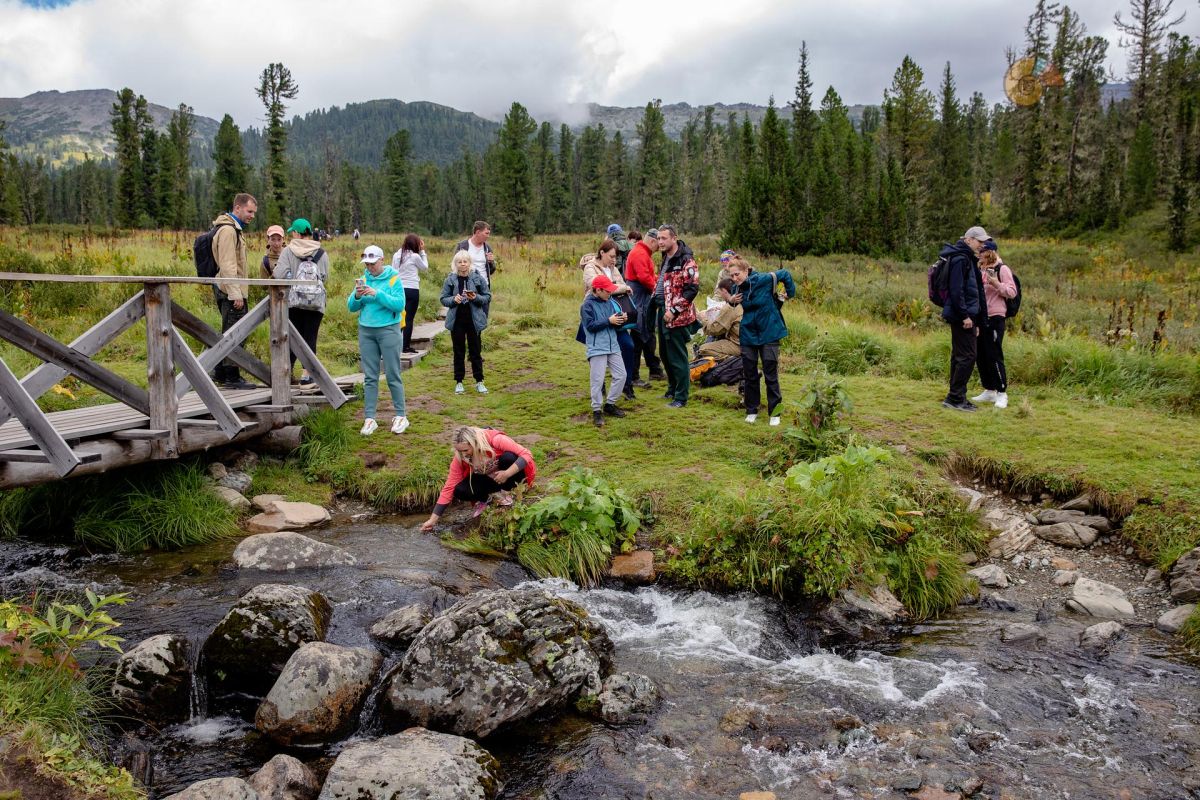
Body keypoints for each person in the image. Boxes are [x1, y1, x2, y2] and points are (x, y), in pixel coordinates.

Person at [725, 253, 796, 425]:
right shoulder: (737, 288)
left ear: (746, 271)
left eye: (737, 274)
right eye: (732, 276)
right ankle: (751, 410)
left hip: (769, 330)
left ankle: (775, 413)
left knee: (770, 373)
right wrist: (731, 300)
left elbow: (785, 274)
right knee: (749, 373)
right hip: (748, 332)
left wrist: (789, 293)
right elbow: (732, 301)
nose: (734, 278)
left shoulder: (763, 279)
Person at [420, 426, 536, 530]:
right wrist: (432, 520)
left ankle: (508, 494)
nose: (463, 454)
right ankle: (486, 500)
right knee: (459, 490)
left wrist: (506, 474)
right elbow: (448, 487)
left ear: (475, 443)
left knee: (509, 457)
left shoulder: (495, 439)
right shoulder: (460, 458)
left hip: (512, 476)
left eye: (466, 450)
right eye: (460, 451)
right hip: (492, 481)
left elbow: (527, 454)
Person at [347, 245, 409, 435]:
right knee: (370, 377)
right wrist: (357, 295)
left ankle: (401, 415)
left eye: (373, 263)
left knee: (392, 374)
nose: (370, 267)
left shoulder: (393, 278)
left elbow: (399, 304)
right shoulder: (363, 279)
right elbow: (351, 306)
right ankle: (369, 418)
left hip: (389, 330)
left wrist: (377, 294)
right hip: (366, 331)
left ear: (382, 260)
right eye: (367, 263)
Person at [274, 218, 330, 385]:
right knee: (310, 337)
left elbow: (279, 274)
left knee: (292, 338)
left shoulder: (288, 251)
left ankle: (287, 373)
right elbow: (325, 277)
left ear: (297, 233)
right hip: (316, 303)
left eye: (293, 232)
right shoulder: (321, 252)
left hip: (294, 302)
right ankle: (308, 375)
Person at [211, 192, 258, 389]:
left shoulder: (232, 229)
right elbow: (228, 264)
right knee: (236, 333)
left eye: (254, 212)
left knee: (230, 331)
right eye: (249, 211)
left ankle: (221, 372)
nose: (252, 216)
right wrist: (235, 294)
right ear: (237, 208)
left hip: (230, 288)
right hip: (232, 290)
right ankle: (231, 376)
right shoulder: (229, 231)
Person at [940, 226, 989, 412]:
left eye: (983, 242)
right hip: (962, 316)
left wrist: (975, 318)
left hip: (967, 315)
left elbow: (971, 290)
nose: (981, 245)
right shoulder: (961, 259)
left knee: (960, 356)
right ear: (968, 239)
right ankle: (955, 398)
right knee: (967, 356)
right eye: (979, 241)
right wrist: (966, 316)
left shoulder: (966, 257)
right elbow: (956, 290)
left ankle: (956, 396)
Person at [581, 240, 637, 399]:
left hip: (614, 310)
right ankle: (599, 387)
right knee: (597, 350)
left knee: (627, 345)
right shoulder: (590, 268)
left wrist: (619, 286)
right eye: (612, 256)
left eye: (616, 257)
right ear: (602, 253)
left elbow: (620, 284)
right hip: (595, 311)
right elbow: (597, 287)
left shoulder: (612, 268)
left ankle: (626, 384)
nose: (614, 260)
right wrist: (620, 288)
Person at [657, 224, 700, 408]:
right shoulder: (666, 257)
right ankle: (672, 388)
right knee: (665, 354)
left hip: (677, 316)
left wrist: (674, 310)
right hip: (662, 312)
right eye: (658, 239)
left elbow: (692, 290)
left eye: (664, 238)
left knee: (677, 357)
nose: (660, 242)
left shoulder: (686, 260)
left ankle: (681, 397)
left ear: (674, 238)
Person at [578, 275, 628, 427]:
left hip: (613, 345)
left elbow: (615, 323)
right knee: (597, 381)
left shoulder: (611, 302)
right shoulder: (586, 306)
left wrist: (621, 320)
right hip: (597, 347)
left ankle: (610, 404)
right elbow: (590, 325)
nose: (610, 293)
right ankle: (597, 410)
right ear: (597, 290)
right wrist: (609, 321)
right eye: (607, 291)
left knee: (621, 375)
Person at [973, 244, 1017, 409]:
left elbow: (1012, 292)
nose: (979, 255)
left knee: (994, 354)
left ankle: (1002, 392)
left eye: (982, 252)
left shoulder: (1002, 268)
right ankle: (989, 389)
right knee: (980, 354)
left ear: (989, 253)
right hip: (981, 316)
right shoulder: (980, 267)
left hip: (996, 316)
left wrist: (995, 283)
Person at [441, 250, 491, 395]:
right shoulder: (450, 279)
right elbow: (443, 298)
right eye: (459, 262)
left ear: (470, 263)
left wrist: (475, 297)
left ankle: (479, 381)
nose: (463, 264)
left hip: (474, 321)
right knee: (458, 351)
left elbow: (487, 296)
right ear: (455, 264)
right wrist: (453, 300)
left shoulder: (477, 278)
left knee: (475, 351)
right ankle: (459, 382)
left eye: (465, 261)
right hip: (457, 321)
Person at [624, 228, 665, 387]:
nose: (659, 247)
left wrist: (659, 282)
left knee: (648, 335)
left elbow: (649, 276)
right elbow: (644, 278)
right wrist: (659, 290)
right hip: (639, 299)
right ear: (653, 241)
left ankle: (654, 369)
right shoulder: (640, 254)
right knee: (639, 336)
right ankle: (633, 376)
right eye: (658, 243)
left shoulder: (642, 252)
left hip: (643, 298)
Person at [391, 234, 429, 354]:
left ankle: (395, 344)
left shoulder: (396, 255)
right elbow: (425, 267)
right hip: (412, 289)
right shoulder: (415, 256)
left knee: (398, 317)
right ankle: (405, 346)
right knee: (408, 319)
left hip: (398, 289)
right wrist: (423, 251)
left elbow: (393, 272)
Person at [696, 278, 743, 361]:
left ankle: (736, 363)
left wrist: (703, 318)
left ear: (724, 291)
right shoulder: (741, 301)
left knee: (704, 349)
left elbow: (714, 330)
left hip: (737, 344)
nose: (720, 295)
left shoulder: (731, 306)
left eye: (720, 292)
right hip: (744, 341)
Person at [455, 220, 496, 290]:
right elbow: (455, 266)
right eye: (486, 233)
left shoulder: (487, 248)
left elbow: (491, 271)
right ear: (478, 232)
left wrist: (491, 262)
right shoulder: (462, 246)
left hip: (484, 285)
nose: (488, 236)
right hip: (466, 285)